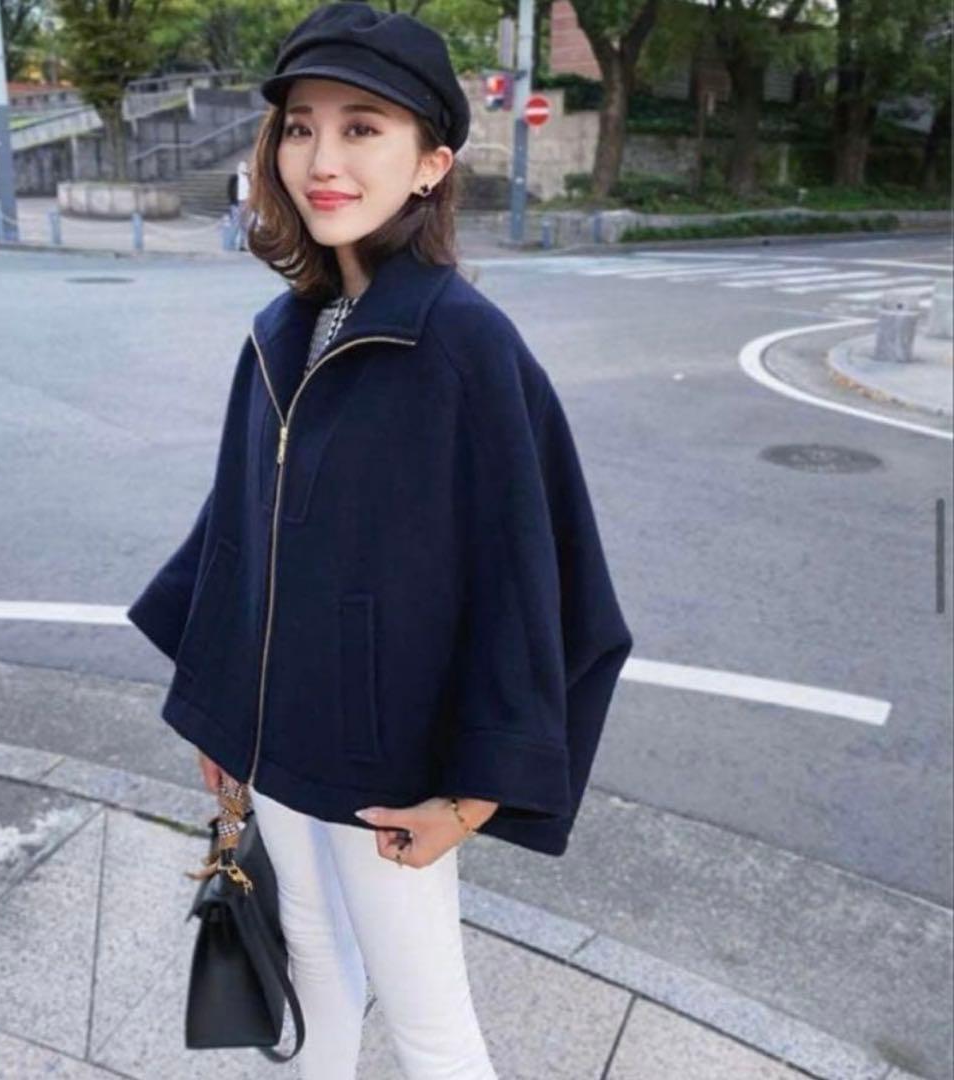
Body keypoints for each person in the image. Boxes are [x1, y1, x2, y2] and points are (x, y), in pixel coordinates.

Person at [126, 4, 633, 1078]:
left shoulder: (465, 347)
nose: (322, 159)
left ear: (432, 163)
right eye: (301, 126)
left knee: (429, 1020)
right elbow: (237, 536)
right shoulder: (281, 331)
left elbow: (533, 580)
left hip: (386, 766)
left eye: (363, 127)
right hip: (276, 743)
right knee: (311, 957)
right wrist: (224, 712)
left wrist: (472, 798)